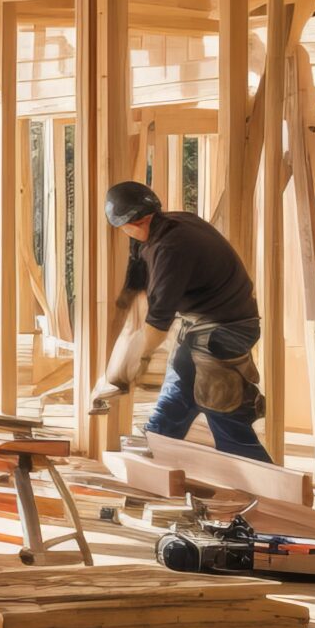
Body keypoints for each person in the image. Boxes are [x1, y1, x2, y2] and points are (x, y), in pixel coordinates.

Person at [86, 180, 271, 461]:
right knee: (176, 397)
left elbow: (158, 327)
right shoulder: (161, 228)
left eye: (122, 228)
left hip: (225, 329)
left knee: (221, 409)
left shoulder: (171, 249)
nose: (124, 233)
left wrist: (124, 370)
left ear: (135, 223)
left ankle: (266, 488)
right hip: (203, 326)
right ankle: (151, 457)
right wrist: (115, 369)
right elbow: (136, 283)